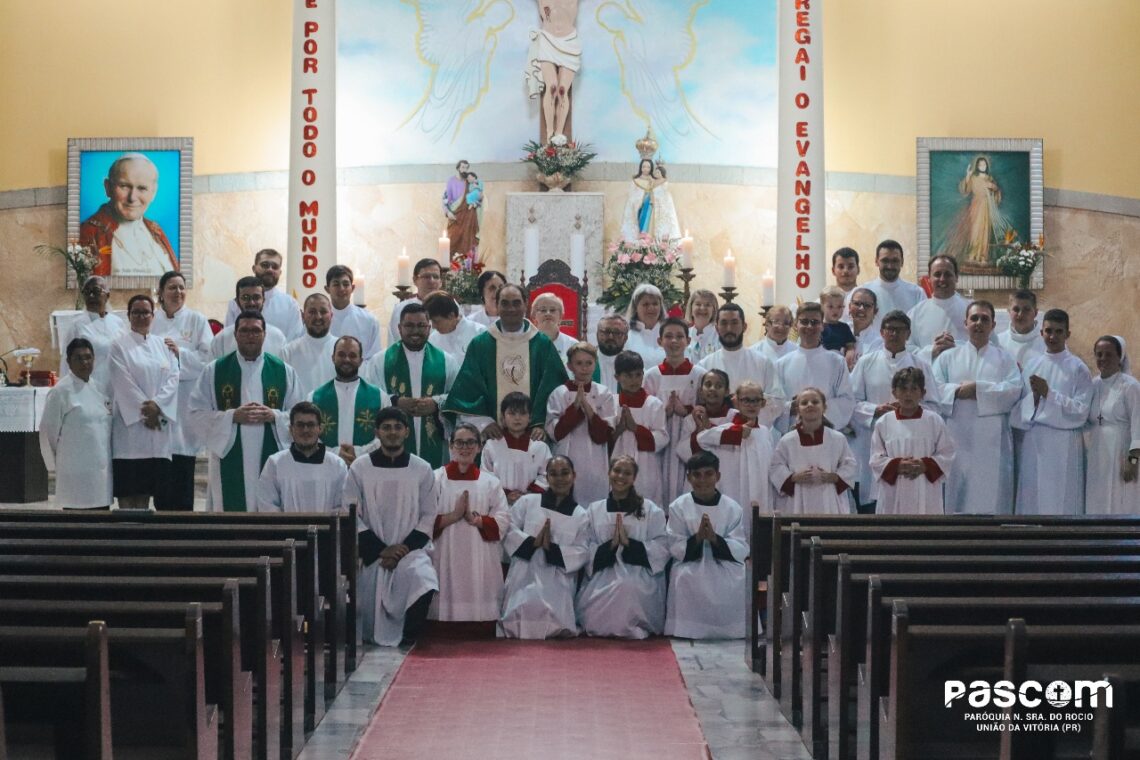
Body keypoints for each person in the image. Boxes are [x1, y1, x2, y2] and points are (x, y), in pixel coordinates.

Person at [189, 311, 303, 512]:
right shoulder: (214, 370)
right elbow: (196, 413)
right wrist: (232, 416)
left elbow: (299, 414)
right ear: (235, 335)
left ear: (264, 334)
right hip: (228, 457)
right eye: (244, 330)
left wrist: (274, 416)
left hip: (271, 454)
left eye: (256, 331)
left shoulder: (284, 371)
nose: (250, 335)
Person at [344, 407, 438, 647]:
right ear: (377, 432)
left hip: (409, 551)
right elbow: (350, 511)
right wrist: (379, 549)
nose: (392, 432)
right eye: (386, 427)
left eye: (398, 427)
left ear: (406, 431)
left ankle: (410, 637)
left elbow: (428, 515)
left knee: (424, 578)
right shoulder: (360, 468)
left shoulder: (422, 468)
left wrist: (402, 549)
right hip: (372, 553)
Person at [931, 300, 1022, 514]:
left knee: (990, 493)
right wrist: (957, 391)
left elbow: (1013, 391)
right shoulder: (947, 357)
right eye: (974, 318)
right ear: (965, 323)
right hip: (956, 435)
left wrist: (977, 389)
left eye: (984, 319)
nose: (979, 323)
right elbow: (933, 390)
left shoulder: (1005, 359)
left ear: (993, 326)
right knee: (956, 491)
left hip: (992, 441)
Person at [444, 284, 568, 437]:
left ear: (526, 305)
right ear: (496, 305)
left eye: (516, 303)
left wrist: (540, 423)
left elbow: (554, 388)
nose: (511, 309)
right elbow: (468, 391)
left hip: (532, 437)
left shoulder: (541, 345)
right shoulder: (481, 345)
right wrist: (484, 422)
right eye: (505, 303)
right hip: (492, 437)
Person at [849, 311, 938, 513]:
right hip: (873, 439)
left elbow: (934, 405)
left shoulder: (920, 364)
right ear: (882, 332)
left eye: (900, 330)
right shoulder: (866, 362)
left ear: (908, 334)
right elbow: (851, 402)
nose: (894, 334)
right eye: (890, 329)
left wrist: (910, 409)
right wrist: (875, 410)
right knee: (876, 499)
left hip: (913, 443)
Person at [576, 455, 669, 639]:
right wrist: (611, 546)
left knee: (627, 586)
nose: (621, 476)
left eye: (627, 473)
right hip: (602, 571)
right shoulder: (594, 510)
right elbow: (585, 546)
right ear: (609, 473)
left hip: (639, 572)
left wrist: (630, 545)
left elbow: (662, 546)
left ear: (634, 478)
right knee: (615, 587)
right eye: (617, 471)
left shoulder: (650, 510)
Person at [1011, 309, 1093, 515]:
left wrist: (1049, 394)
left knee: (1062, 497)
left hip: (1064, 443)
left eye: (1058, 331)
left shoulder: (1078, 368)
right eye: (1048, 331)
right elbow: (1018, 408)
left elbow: (1081, 411)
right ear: (1041, 333)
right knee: (1033, 494)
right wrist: (1035, 399)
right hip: (1035, 442)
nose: (1052, 336)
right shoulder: (1032, 365)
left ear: (1068, 334)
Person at [499, 455, 590, 639]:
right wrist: (532, 542)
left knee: (554, 613)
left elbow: (582, 551)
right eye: (554, 474)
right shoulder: (528, 502)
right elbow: (509, 529)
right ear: (546, 477)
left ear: (574, 476)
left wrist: (552, 549)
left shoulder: (581, 515)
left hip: (558, 578)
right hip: (524, 572)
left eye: (565, 473)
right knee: (522, 604)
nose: (560, 479)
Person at [428, 424, 510, 626]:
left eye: (471, 442)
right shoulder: (436, 478)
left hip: (479, 550)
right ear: (451, 445)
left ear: (480, 447)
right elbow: (423, 518)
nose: (465, 448)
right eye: (459, 443)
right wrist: (453, 516)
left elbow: (503, 519)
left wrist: (479, 521)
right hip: (444, 548)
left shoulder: (491, 482)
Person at [664, 451, 749, 640]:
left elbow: (740, 546)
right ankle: (688, 628)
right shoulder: (678, 506)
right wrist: (697, 539)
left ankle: (731, 628)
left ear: (718, 476)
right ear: (688, 477)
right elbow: (674, 544)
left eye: (708, 474)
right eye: (697, 475)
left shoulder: (732, 507)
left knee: (739, 577)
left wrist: (714, 539)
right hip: (691, 561)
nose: (702, 480)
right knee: (684, 577)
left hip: (723, 562)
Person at [109, 294, 180, 509]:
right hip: (130, 430)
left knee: (147, 493)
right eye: (136, 312)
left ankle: (140, 539)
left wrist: (157, 405)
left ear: (153, 315)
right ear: (129, 316)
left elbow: (174, 376)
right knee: (128, 492)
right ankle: (126, 538)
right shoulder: (119, 346)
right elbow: (122, 381)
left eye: (146, 312)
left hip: (156, 430)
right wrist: (146, 410)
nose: (141, 316)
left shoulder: (163, 345)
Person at [367, 303, 457, 468]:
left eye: (421, 325)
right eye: (409, 325)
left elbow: (458, 397)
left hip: (435, 445)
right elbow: (370, 397)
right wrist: (395, 402)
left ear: (429, 328)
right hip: (392, 444)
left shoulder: (446, 361)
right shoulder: (380, 361)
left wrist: (436, 403)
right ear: (399, 328)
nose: (415, 331)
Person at [151, 270, 212, 510]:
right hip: (158, 401)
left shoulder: (197, 320)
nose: (178, 292)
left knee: (183, 465)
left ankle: (183, 523)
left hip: (184, 400)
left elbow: (207, 358)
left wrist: (180, 354)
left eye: (181, 288)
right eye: (172, 288)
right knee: (161, 469)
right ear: (161, 293)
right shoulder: (151, 319)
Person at [869, 368, 955, 515]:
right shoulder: (884, 422)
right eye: (903, 389)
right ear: (894, 393)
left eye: (914, 389)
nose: (908, 394)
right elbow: (876, 459)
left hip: (926, 487)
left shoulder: (934, 420)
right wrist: (897, 465)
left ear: (923, 393)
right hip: (894, 489)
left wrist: (925, 465)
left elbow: (947, 454)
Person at [39, 338, 113, 509]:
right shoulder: (61, 392)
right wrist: (53, 466)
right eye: (78, 358)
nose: (84, 362)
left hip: (101, 474)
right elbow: (47, 431)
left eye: (88, 357)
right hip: (74, 471)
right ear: (68, 362)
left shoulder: (101, 389)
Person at [696, 380, 777, 534]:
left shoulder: (766, 432)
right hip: (734, 489)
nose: (751, 405)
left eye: (756, 400)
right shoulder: (726, 428)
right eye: (746, 400)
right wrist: (736, 433)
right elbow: (702, 439)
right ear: (736, 402)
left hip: (760, 492)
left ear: (763, 403)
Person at [80, 152, 177, 277]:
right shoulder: (89, 232)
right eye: (124, 186)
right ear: (108, 187)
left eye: (142, 188)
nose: (132, 198)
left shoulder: (156, 231)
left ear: (153, 193)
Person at [545, 343, 616, 504]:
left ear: (595, 364)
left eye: (589, 363)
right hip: (568, 456)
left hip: (595, 460)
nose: (584, 368)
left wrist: (588, 409)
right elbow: (555, 433)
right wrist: (575, 406)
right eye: (579, 363)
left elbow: (603, 435)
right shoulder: (559, 393)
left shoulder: (603, 393)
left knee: (594, 503)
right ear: (570, 366)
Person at [644, 317, 704, 505]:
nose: (674, 341)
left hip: (688, 439)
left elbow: (708, 408)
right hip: (661, 442)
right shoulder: (652, 375)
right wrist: (664, 412)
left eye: (679, 336)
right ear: (660, 341)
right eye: (668, 336)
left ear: (688, 340)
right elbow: (644, 411)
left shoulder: (699, 374)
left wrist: (685, 410)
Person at [769, 387, 857, 514]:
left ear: (824, 407)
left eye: (815, 402)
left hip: (829, 498)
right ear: (797, 409)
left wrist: (835, 477)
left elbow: (850, 465)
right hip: (798, 498)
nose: (810, 405)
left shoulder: (837, 438)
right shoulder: (787, 440)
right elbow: (775, 467)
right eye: (804, 403)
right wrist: (793, 477)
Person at [775, 302, 855, 432]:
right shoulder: (782, 364)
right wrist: (791, 407)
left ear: (822, 326)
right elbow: (775, 404)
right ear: (796, 325)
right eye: (804, 321)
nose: (809, 326)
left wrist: (817, 409)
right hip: (793, 435)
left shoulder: (837, 361)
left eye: (815, 322)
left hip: (827, 434)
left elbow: (847, 400)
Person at [256, 401, 348, 513]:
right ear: (291, 429)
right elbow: (267, 504)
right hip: (287, 530)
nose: (305, 430)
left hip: (327, 529)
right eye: (300, 425)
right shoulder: (275, 463)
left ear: (320, 428)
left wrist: (324, 528)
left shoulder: (337, 465)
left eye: (310, 425)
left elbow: (344, 505)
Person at [699, 304, 782, 427]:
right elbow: (701, 404)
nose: (729, 328)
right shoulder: (705, 365)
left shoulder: (763, 362)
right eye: (724, 323)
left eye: (734, 323)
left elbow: (776, 402)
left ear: (744, 326)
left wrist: (748, 421)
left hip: (754, 434)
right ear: (716, 328)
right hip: (718, 437)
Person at [311, 336, 389, 465]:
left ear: (361, 361)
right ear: (332, 358)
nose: (346, 359)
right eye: (341, 355)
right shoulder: (315, 397)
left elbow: (387, 433)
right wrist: (336, 453)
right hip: (328, 467)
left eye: (352, 355)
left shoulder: (380, 397)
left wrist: (358, 453)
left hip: (366, 467)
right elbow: (309, 434)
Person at [1085, 336, 1140, 515]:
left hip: (1122, 453)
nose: (1103, 359)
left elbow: (1138, 426)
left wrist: (1133, 461)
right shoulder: (1093, 385)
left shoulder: (1130, 386)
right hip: (1097, 453)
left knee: (1122, 499)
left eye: (1108, 354)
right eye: (1099, 354)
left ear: (1120, 357)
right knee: (1097, 498)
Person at [609, 350, 669, 507]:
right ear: (617, 377)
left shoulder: (654, 404)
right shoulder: (611, 403)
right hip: (616, 463)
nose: (633, 380)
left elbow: (662, 438)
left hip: (646, 467)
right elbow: (602, 440)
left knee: (645, 508)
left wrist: (636, 429)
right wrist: (620, 429)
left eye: (637, 375)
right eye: (628, 375)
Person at [58, 275, 127, 396]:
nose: (91, 296)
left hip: (117, 388)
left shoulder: (118, 323)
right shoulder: (77, 326)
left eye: (96, 291)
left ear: (107, 295)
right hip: (87, 389)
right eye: (87, 292)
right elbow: (66, 362)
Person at [937, 155, 1012, 266]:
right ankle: (973, 255)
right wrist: (968, 176)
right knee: (975, 231)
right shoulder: (973, 178)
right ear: (977, 166)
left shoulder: (990, 179)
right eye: (980, 164)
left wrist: (993, 188)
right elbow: (965, 190)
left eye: (984, 164)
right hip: (976, 206)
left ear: (987, 166)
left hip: (986, 208)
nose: (982, 166)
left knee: (985, 231)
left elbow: (997, 194)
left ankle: (983, 256)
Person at [525, 0, 580, 139]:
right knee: (552, 88)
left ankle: (559, 135)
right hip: (547, 40)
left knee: (562, 90)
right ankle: (549, 134)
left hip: (569, 42)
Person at [482, 392, 551, 504]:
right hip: (499, 503)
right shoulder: (492, 445)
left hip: (531, 502)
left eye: (523, 413)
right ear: (503, 417)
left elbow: (546, 475)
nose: (517, 418)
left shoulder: (540, 446)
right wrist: (505, 494)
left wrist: (529, 494)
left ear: (530, 417)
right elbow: (486, 474)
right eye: (512, 413)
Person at [224, 249, 303, 340]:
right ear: (254, 268)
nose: (270, 269)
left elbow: (295, 340)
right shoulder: (235, 303)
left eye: (274, 266)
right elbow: (228, 338)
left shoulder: (290, 304)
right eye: (265, 265)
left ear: (280, 272)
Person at [906, 255, 970, 362]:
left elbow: (986, 345)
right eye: (937, 274)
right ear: (929, 278)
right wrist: (931, 351)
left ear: (956, 277)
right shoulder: (915, 313)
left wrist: (957, 349)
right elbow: (906, 347)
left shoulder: (971, 311)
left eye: (948, 274)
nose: (942, 279)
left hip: (963, 374)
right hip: (927, 374)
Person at [674, 369, 735, 476]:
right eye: (708, 385)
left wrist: (709, 428)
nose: (712, 389)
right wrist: (699, 430)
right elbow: (683, 452)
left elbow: (733, 449)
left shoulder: (734, 417)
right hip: (698, 476)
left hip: (727, 474)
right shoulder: (691, 419)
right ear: (701, 391)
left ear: (727, 392)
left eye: (718, 386)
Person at [211, 277, 289, 359]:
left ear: (263, 300)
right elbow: (212, 370)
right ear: (237, 301)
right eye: (245, 297)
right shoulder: (222, 339)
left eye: (256, 297)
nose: (251, 302)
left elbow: (283, 370)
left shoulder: (277, 337)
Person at [280, 293, 339, 398]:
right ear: (302, 316)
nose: (318, 317)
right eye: (312, 312)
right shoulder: (288, 352)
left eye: (323, 312)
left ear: (331, 315)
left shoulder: (341, 350)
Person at [863, 240, 926, 328]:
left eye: (895, 261)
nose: (890, 266)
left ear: (902, 262)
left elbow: (923, 326)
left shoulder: (916, 293)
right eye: (885, 261)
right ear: (876, 261)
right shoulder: (864, 292)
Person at [325, 265, 382, 361]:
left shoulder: (369, 320)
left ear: (353, 288)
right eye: (336, 284)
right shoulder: (320, 320)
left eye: (346, 284)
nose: (342, 288)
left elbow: (374, 359)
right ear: (327, 289)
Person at [387, 258, 443, 346]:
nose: (432, 281)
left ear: (441, 282)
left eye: (436, 277)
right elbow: (394, 340)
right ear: (415, 280)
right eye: (426, 276)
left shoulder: (450, 306)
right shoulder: (401, 308)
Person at [424, 289, 485, 360]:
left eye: (436, 321)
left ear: (451, 315)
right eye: (431, 321)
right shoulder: (432, 340)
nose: (433, 326)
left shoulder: (479, 333)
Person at [997, 289, 1046, 368]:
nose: (1020, 314)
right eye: (1016, 309)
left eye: (1026, 309)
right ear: (1009, 311)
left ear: (1036, 313)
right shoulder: (998, 342)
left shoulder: (1048, 343)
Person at [624, 283, 667, 368]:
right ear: (636, 308)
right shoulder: (626, 336)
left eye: (655, 304)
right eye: (645, 304)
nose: (651, 308)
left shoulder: (669, 333)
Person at [445, 164, 481, 260]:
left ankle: (468, 267)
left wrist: (477, 202)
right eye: (462, 167)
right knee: (452, 240)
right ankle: (451, 266)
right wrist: (448, 212)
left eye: (466, 168)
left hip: (469, 216)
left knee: (468, 240)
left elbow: (479, 195)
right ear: (458, 168)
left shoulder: (470, 182)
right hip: (455, 215)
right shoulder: (452, 181)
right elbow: (445, 198)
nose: (464, 170)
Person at [620, 159, 659, 242]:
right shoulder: (636, 180)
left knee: (648, 225)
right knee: (639, 224)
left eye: (648, 167)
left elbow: (658, 193)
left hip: (649, 206)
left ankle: (647, 241)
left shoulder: (653, 180)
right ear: (641, 168)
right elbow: (631, 195)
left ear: (651, 168)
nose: (646, 169)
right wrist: (640, 199)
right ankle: (639, 241)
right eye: (644, 166)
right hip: (638, 206)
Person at [530, 292, 576, 359]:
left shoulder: (573, 345)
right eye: (543, 310)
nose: (548, 313)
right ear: (534, 316)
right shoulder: (527, 343)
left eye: (552, 310)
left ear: (561, 316)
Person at [846, 287, 883, 370]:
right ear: (849, 307)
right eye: (857, 304)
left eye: (867, 305)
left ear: (875, 311)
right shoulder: (839, 331)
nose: (861, 308)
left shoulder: (879, 343)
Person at [685, 289, 721, 363]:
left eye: (707, 305)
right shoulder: (683, 334)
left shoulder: (720, 336)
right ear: (691, 308)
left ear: (713, 310)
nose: (702, 308)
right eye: (698, 304)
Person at [595, 314, 628, 391]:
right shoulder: (586, 361)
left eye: (617, 333)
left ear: (625, 338)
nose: (611, 337)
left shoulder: (632, 364)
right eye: (606, 332)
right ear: (597, 335)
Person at [820, 285, 856, 356]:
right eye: (830, 306)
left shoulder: (844, 327)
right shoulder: (818, 327)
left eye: (839, 307)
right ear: (822, 306)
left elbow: (850, 346)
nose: (835, 310)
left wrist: (850, 353)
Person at [650, 164, 681, 241]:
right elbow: (651, 192)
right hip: (657, 204)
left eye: (658, 172)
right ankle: (658, 238)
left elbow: (667, 192)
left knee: (667, 220)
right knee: (657, 221)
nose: (656, 174)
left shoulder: (665, 180)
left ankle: (670, 237)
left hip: (665, 203)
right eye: (655, 172)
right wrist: (652, 201)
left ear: (662, 173)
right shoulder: (653, 182)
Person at [831, 247, 861, 317]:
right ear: (833, 270)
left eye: (851, 266)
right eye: (841, 267)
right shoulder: (823, 302)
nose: (846, 271)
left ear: (858, 269)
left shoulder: (867, 299)